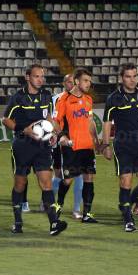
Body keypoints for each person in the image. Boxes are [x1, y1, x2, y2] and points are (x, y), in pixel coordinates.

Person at [2, 64, 67, 236]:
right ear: (28, 77)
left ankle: (54, 223)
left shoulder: (46, 96)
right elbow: (6, 120)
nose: (41, 79)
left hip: (42, 146)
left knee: (46, 182)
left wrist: (54, 133)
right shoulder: (18, 97)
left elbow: (48, 118)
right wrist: (24, 130)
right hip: (22, 145)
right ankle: (17, 222)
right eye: (37, 76)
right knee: (20, 184)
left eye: (42, 76)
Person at [101, 63, 138, 232]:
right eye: (128, 76)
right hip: (122, 146)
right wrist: (105, 144)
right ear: (122, 78)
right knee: (125, 182)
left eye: (134, 76)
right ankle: (128, 219)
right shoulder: (113, 98)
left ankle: (133, 206)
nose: (132, 80)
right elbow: (106, 123)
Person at [53, 68, 98, 223]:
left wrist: (97, 142)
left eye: (90, 81)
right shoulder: (64, 99)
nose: (88, 84)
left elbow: (90, 121)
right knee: (68, 180)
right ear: (77, 81)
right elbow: (55, 121)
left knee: (89, 178)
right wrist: (62, 136)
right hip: (71, 146)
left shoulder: (88, 100)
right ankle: (58, 205)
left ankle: (86, 214)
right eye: (86, 81)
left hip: (87, 146)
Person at [46, 74, 84, 218]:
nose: (71, 84)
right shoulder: (56, 99)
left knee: (79, 174)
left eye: (73, 82)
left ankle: (76, 209)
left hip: (78, 143)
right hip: (60, 142)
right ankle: (49, 201)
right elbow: (51, 118)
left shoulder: (83, 99)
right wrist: (55, 135)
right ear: (63, 83)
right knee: (60, 175)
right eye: (68, 82)